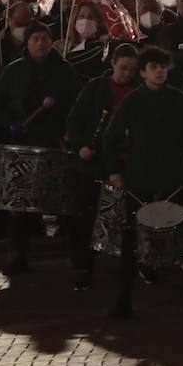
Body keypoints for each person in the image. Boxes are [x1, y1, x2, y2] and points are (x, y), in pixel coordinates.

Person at [103, 46, 183, 319]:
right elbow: (110, 139)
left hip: (173, 179)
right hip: (139, 180)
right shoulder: (133, 101)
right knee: (131, 241)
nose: (160, 71)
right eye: (153, 67)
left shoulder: (179, 100)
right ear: (143, 72)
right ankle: (123, 299)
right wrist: (115, 171)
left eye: (163, 67)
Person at [0, 22, 82, 273]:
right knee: (19, 202)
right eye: (35, 38)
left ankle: (76, 253)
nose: (40, 43)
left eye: (44, 38)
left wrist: (68, 129)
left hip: (55, 140)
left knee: (64, 199)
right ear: (27, 43)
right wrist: (10, 124)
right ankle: (17, 252)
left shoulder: (64, 71)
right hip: (23, 141)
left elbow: (77, 104)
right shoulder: (13, 71)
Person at [65, 44, 139, 291]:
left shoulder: (138, 91)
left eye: (131, 69)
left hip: (126, 158)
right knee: (89, 213)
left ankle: (133, 264)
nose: (127, 73)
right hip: (95, 159)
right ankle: (86, 266)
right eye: (123, 68)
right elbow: (75, 120)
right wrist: (81, 146)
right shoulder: (96, 88)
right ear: (113, 65)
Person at [62, 1, 111, 81]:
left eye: (90, 17)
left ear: (98, 22)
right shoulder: (63, 47)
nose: (85, 20)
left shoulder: (102, 48)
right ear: (75, 20)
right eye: (81, 16)